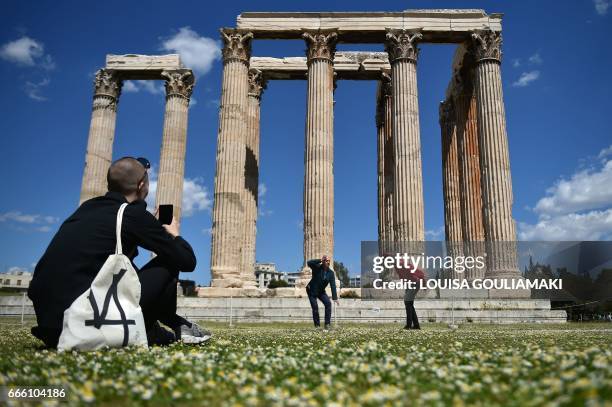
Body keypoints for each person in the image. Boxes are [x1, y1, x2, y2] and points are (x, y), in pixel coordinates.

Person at [28, 157, 210, 348]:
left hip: (52, 327)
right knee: (169, 261)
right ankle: (171, 326)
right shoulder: (133, 214)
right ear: (141, 185)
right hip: (92, 324)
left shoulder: (85, 210)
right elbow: (187, 261)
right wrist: (173, 235)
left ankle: (160, 328)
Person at [305, 255, 339, 329]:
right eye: (326, 261)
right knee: (315, 307)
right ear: (323, 261)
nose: (328, 262)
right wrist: (320, 260)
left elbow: (333, 285)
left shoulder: (331, 273)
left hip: (321, 291)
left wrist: (335, 298)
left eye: (329, 261)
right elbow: (309, 263)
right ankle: (317, 326)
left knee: (328, 303)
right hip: (311, 290)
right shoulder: (317, 267)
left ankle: (327, 324)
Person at [397, 261, 425, 330]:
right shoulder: (398, 266)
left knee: (407, 302)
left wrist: (423, 283)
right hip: (409, 284)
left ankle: (409, 325)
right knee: (409, 304)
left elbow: (419, 274)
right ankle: (416, 325)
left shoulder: (403, 264)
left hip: (414, 283)